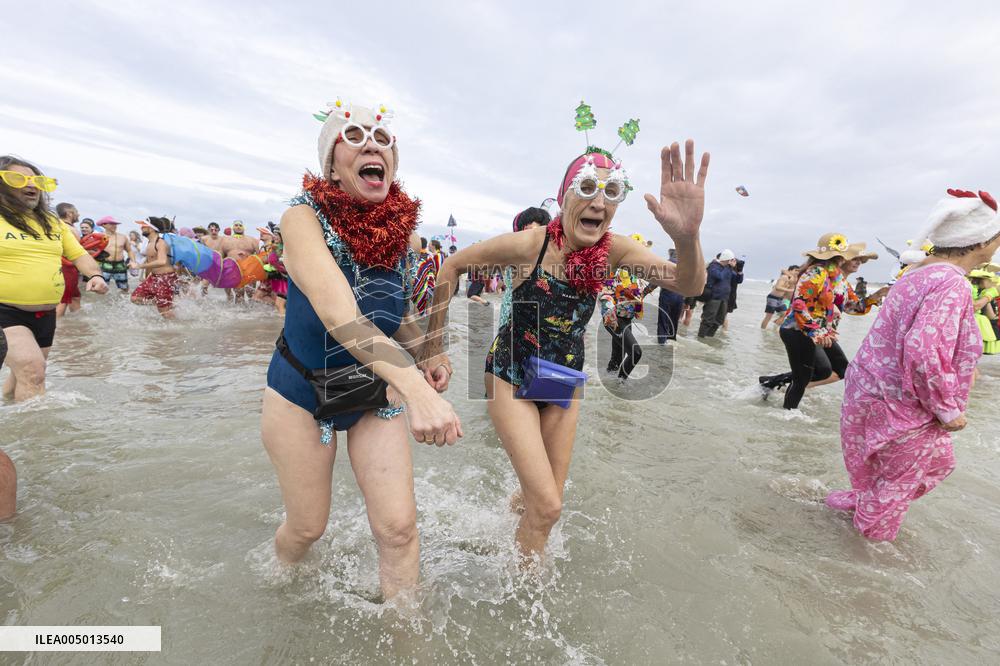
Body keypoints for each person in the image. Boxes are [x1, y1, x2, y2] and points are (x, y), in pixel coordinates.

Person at [419, 138, 710, 562]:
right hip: (510, 373)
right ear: (564, 196)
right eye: (588, 187)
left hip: (564, 382)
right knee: (549, 507)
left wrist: (687, 237)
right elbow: (452, 265)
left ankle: (504, 536)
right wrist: (433, 348)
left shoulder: (615, 250)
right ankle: (524, 599)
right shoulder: (530, 245)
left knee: (541, 500)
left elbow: (689, 284)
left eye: (611, 193)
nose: (598, 201)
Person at [262, 100, 461, 600]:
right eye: (353, 135)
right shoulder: (301, 218)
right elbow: (341, 315)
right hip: (302, 392)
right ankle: (275, 589)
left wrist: (428, 352)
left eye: (383, 137)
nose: (373, 142)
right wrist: (415, 386)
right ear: (330, 162)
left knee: (398, 530)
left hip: (375, 389)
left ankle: (405, 641)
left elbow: (396, 313)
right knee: (308, 528)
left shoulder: (401, 232)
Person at [827, 189, 1000, 541]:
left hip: (871, 391)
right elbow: (923, 351)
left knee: (936, 462)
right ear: (982, 242)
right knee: (891, 496)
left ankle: (858, 506)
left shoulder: (917, 273)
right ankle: (863, 560)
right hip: (906, 405)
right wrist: (947, 408)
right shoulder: (952, 283)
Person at [0, 156, 108, 401]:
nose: (31, 185)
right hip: (4, 310)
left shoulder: (51, 222)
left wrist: (95, 275)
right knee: (33, 370)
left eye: (36, 180)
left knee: (24, 374)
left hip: (44, 314)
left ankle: (7, 421)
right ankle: (34, 438)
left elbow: (79, 254)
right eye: (19, 179)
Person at [774, 233, 850, 409]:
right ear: (839, 258)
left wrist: (877, 297)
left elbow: (852, 305)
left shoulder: (837, 278)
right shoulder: (815, 272)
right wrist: (816, 331)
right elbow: (799, 304)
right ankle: (787, 415)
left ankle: (771, 382)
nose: (855, 262)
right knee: (802, 379)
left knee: (839, 368)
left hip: (820, 331)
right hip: (797, 330)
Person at [129, 217, 178, 318]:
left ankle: (176, 330)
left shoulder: (160, 242)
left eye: (144, 225)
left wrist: (139, 266)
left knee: (164, 313)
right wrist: (148, 276)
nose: (141, 227)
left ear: (151, 228)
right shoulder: (149, 243)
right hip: (154, 277)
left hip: (166, 278)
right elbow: (151, 261)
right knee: (135, 298)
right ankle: (164, 303)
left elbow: (161, 261)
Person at [697, 249, 740, 338]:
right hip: (714, 297)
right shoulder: (713, 266)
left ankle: (709, 337)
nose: (732, 262)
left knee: (719, 321)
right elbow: (719, 276)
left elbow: (738, 280)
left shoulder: (728, 269)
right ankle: (701, 338)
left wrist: (740, 271)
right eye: (731, 260)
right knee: (708, 319)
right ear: (727, 259)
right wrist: (729, 268)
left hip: (724, 298)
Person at [55, 202, 83, 317]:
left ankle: (75, 323)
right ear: (70, 214)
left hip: (61, 266)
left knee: (75, 296)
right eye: (76, 212)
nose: (79, 214)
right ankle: (56, 329)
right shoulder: (69, 229)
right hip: (67, 268)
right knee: (63, 300)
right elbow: (76, 252)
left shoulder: (58, 226)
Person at [220, 220, 259, 303]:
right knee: (239, 293)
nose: (238, 227)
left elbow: (259, 257)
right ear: (233, 227)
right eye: (236, 225)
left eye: (240, 225)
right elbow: (221, 257)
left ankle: (253, 313)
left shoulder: (252, 240)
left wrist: (249, 257)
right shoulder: (225, 241)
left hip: (249, 269)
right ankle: (239, 315)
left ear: (243, 227)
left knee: (251, 293)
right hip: (234, 270)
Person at [656, 248, 685, 344]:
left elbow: (656, 280)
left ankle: (661, 342)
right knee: (674, 321)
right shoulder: (685, 265)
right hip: (680, 297)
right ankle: (672, 340)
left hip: (667, 296)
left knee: (663, 320)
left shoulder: (666, 263)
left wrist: (644, 292)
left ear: (670, 253)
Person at [95, 216, 131, 292]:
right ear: (104, 225)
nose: (115, 226)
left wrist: (133, 261)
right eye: (111, 224)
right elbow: (91, 251)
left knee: (124, 288)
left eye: (115, 224)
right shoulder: (99, 237)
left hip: (120, 264)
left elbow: (129, 251)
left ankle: (123, 303)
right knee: (101, 288)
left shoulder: (123, 237)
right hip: (104, 264)